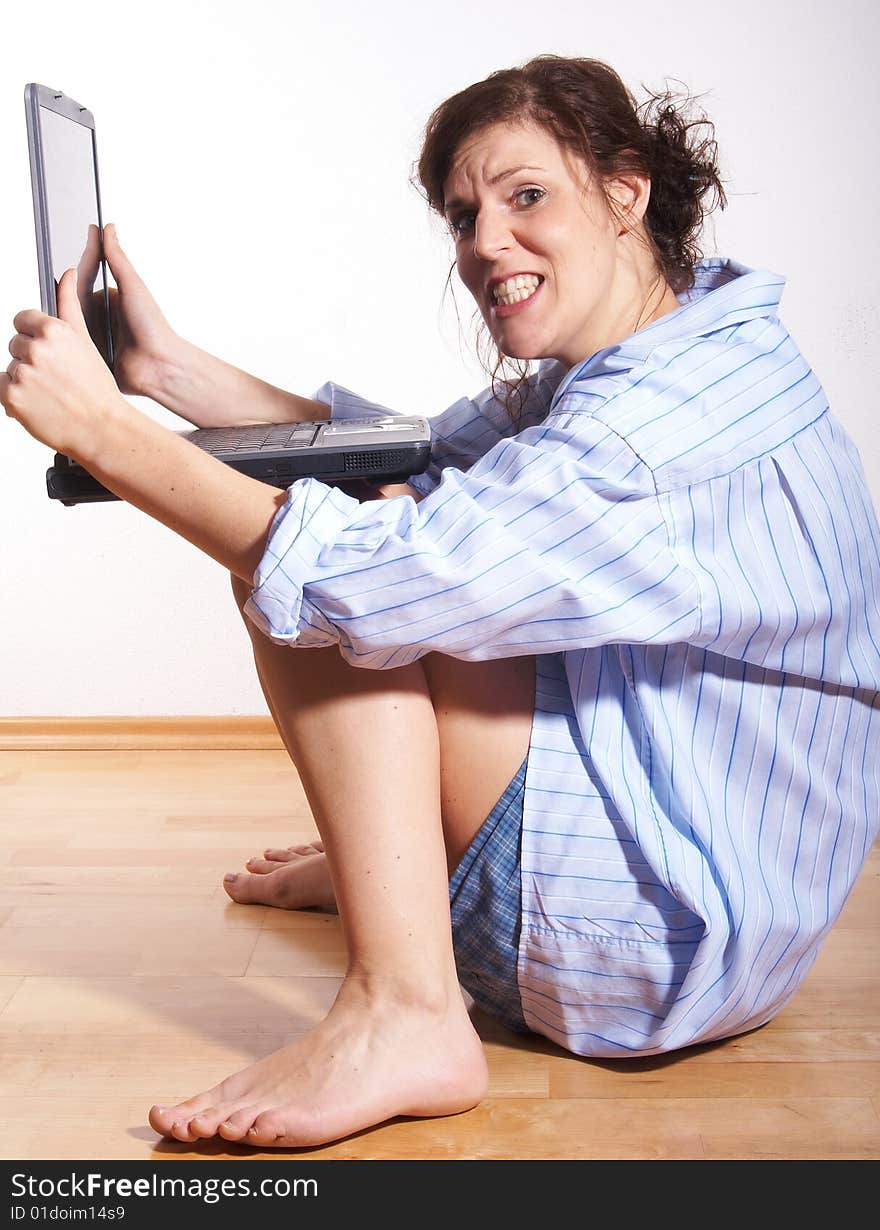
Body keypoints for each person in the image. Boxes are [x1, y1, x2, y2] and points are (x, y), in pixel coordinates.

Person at [4, 54, 879, 1150]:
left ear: (626, 189)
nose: (482, 244)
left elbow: (366, 574)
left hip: (646, 949)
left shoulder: (643, 438)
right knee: (371, 510)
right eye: (464, 215)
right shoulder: (685, 344)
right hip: (729, 903)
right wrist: (164, 371)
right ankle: (401, 861)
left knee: (320, 570)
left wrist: (106, 436)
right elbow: (430, 455)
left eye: (524, 197)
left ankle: (405, 1009)